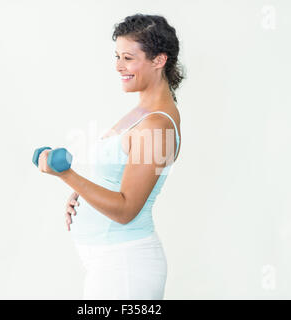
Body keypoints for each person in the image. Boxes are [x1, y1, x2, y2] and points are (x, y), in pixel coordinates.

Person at [38, 13, 184, 299]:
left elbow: (126, 209)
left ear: (158, 60)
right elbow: (118, 178)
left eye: (128, 58)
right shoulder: (142, 112)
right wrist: (84, 193)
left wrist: (67, 176)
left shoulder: (156, 125)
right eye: (117, 56)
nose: (118, 67)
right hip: (110, 264)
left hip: (125, 267)